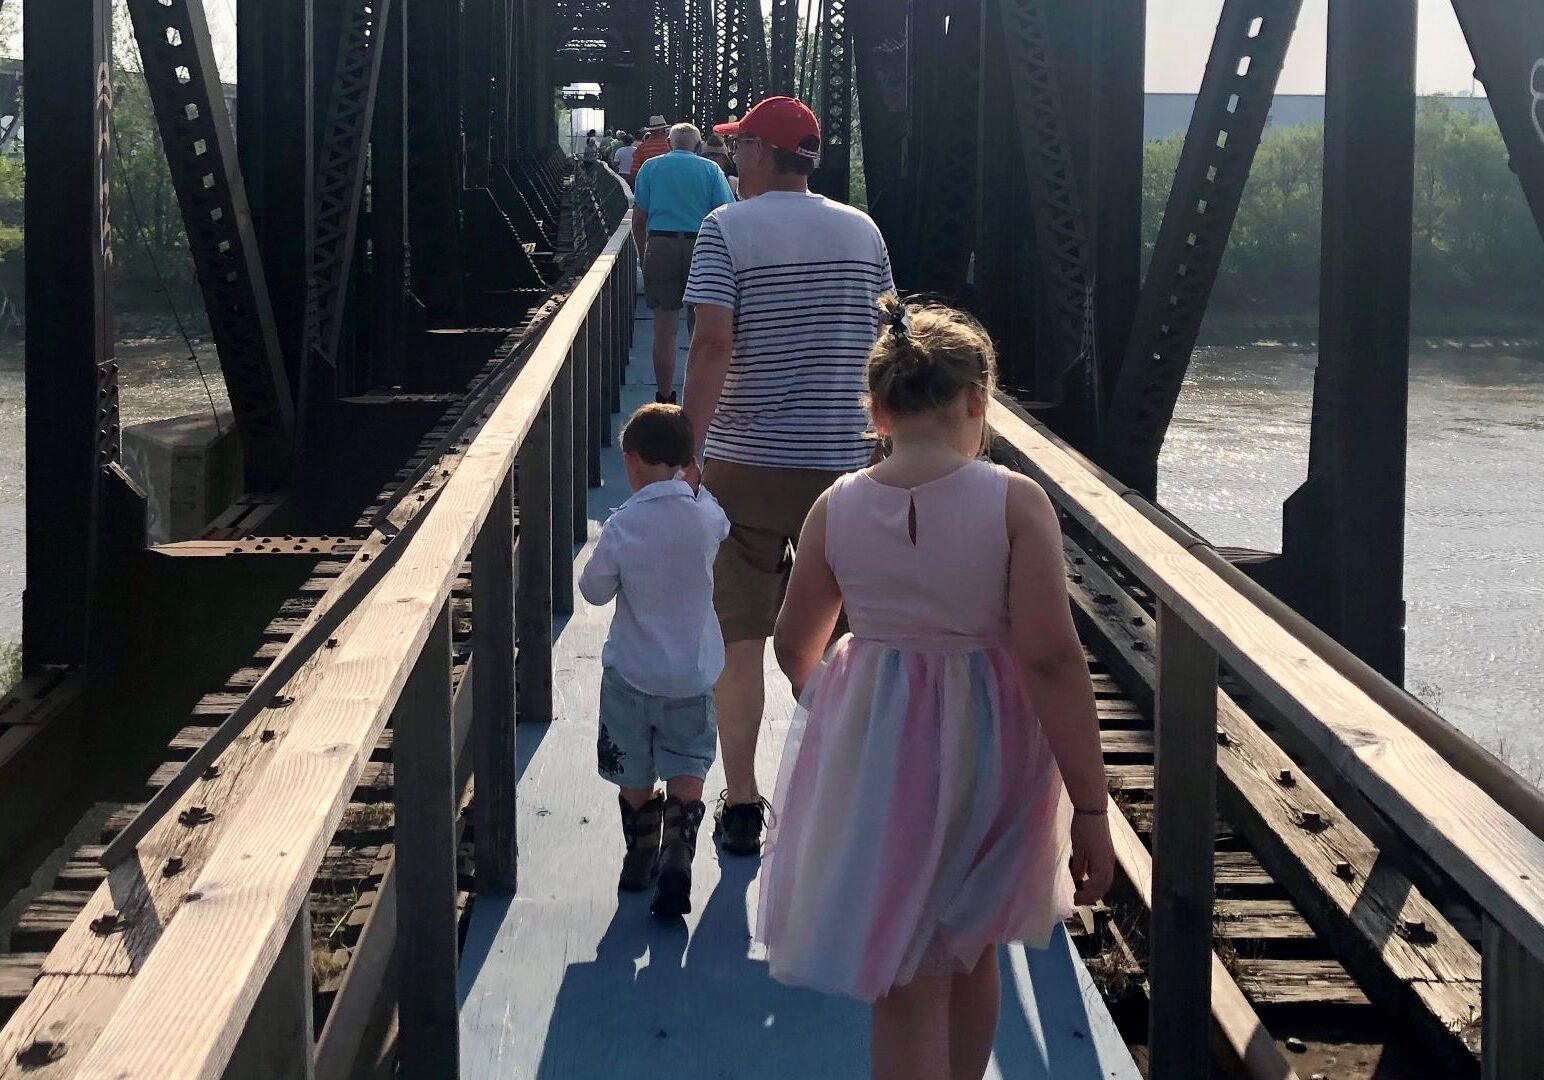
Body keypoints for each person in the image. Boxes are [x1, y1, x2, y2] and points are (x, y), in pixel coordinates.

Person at [760, 297, 1116, 1080]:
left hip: (880, 747)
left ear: (877, 410)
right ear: (976, 402)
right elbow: (1052, 656)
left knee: (904, 967)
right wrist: (1089, 806)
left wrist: (841, 703)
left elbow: (793, 642)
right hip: (994, 745)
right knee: (971, 942)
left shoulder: (836, 504)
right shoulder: (1015, 501)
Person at [680, 96, 894, 855]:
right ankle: (847, 792)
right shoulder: (863, 230)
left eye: (739, 148)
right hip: (843, 465)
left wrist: (688, 454)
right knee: (845, 632)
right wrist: (883, 447)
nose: (732, 159)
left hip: (745, 463)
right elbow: (886, 342)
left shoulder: (725, 229)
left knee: (739, 636)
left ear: (766, 156)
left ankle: (741, 805)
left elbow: (711, 348)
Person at [577, 403, 731, 918]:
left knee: (634, 765)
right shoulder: (705, 515)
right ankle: (678, 851)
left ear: (632, 461)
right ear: (688, 462)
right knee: (688, 762)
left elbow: (594, 591)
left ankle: (639, 850)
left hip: (631, 676)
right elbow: (722, 525)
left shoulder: (624, 525)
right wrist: (699, 487)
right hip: (691, 676)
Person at [632, 123, 735, 405]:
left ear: (669, 141)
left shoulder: (650, 168)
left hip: (660, 245)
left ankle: (665, 398)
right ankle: (698, 398)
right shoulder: (711, 170)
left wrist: (644, 254)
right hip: (701, 245)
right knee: (701, 328)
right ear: (699, 145)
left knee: (664, 329)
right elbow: (724, 214)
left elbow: (639, 221)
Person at [627, 115, 673, 179]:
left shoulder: (642, 148)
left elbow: (634, 171)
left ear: (650, 131)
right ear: (663, 129)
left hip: (649, 185)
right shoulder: (672, 145)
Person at [699, 133, 739, 198]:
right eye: (708, 156)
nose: (712, 160)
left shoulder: (734, 184)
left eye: (716, 156)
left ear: (725, 161)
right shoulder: (698, 183)